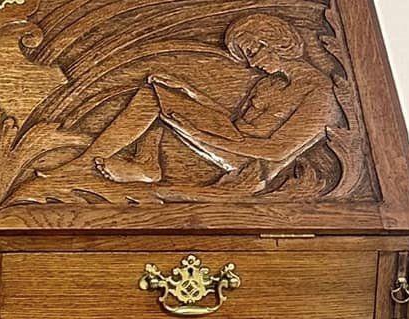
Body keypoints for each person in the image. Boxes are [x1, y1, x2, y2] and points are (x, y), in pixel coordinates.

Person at [83, 12, 341, 190]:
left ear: (276, 42)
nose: (252, 63)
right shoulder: (271, 83)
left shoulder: (320, 94)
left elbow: (277, 150)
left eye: (252, 52)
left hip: (250, 161)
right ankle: (145, 164)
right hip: (231, 138)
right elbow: (230, 121)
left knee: (155, 102)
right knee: (155, 93)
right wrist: (189, 91)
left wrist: (197, 133)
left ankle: (84, 164)